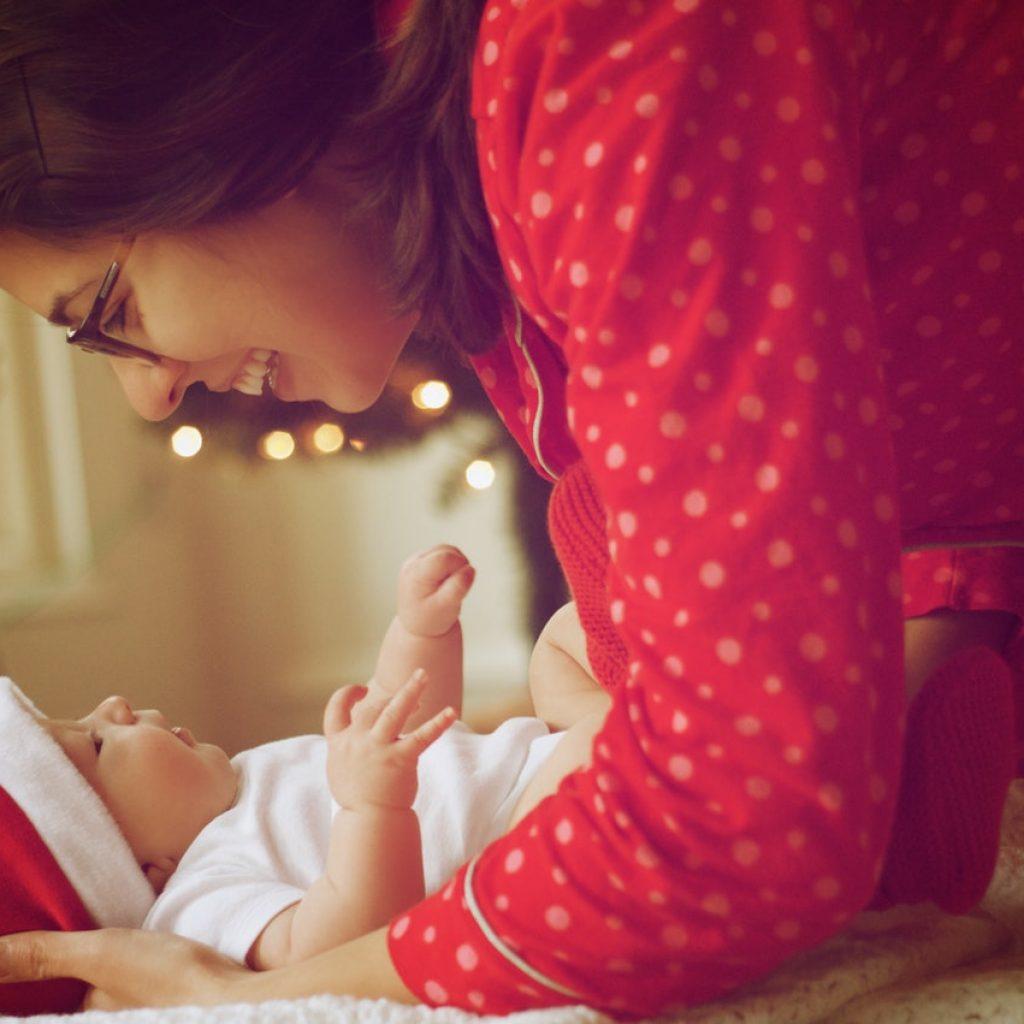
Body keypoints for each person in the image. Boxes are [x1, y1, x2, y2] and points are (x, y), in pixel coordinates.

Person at [0, 0, 1021, 1017]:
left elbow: (739, 815)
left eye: (110, 311)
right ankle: (907, 721)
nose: (149, 393)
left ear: (196, 115)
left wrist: (245, 1000)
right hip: (932, 541)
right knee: (603, 610)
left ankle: (901, 742)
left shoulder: (598, 49)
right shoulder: (489, 170)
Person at [0, 544, 611, 1015]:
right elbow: (340, 943)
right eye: (99, 743)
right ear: (133, 866)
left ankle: (675, 686)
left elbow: (407, 723)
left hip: (541, 760)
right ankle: (673, 724)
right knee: (606, 743)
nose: (112, 705)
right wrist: (373, 806)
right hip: (523, 836)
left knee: (563, 639)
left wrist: (419, 631)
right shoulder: (199, 900)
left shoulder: (251, 777)